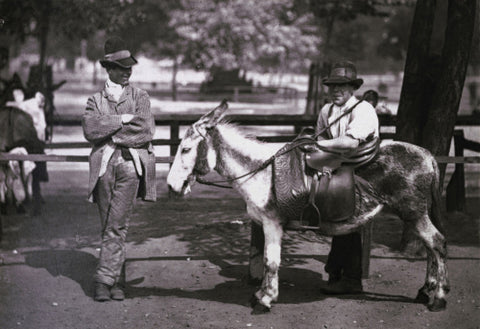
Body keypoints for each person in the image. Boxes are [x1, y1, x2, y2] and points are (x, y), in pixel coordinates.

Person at [82, 37, 156, 302]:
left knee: (116, 225)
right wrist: (123, 120)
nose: (128, 72)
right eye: (122, 67)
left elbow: (145, 131)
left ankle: (102, 280)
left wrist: (111, 134)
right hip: (103, 168)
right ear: (109, 68)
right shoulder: (94, 100)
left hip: (130, 166)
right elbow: (90, 130)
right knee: (109, 226)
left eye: (130, 68)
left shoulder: (140, 97)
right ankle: (118, 282)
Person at [315, 61, 379, 294]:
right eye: (332, 86)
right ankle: (337, 270)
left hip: (363, 168)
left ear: (352, 88)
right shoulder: (326, 111)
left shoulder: (363, 109)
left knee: (346, 212)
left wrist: (317, 145)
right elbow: (319, 139)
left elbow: (350, 142)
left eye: (342, 86)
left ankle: (350, 277)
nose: (336, 90)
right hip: (338, 166)